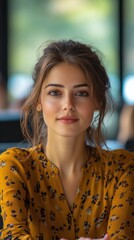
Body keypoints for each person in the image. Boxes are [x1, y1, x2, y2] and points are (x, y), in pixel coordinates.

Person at [0, 40, 133, 240]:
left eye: (81, 93)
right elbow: (13, 236)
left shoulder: (122, 169)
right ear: (38, 100)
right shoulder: (15, 166)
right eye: (55, 92)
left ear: (97, 100)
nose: (68, 104)